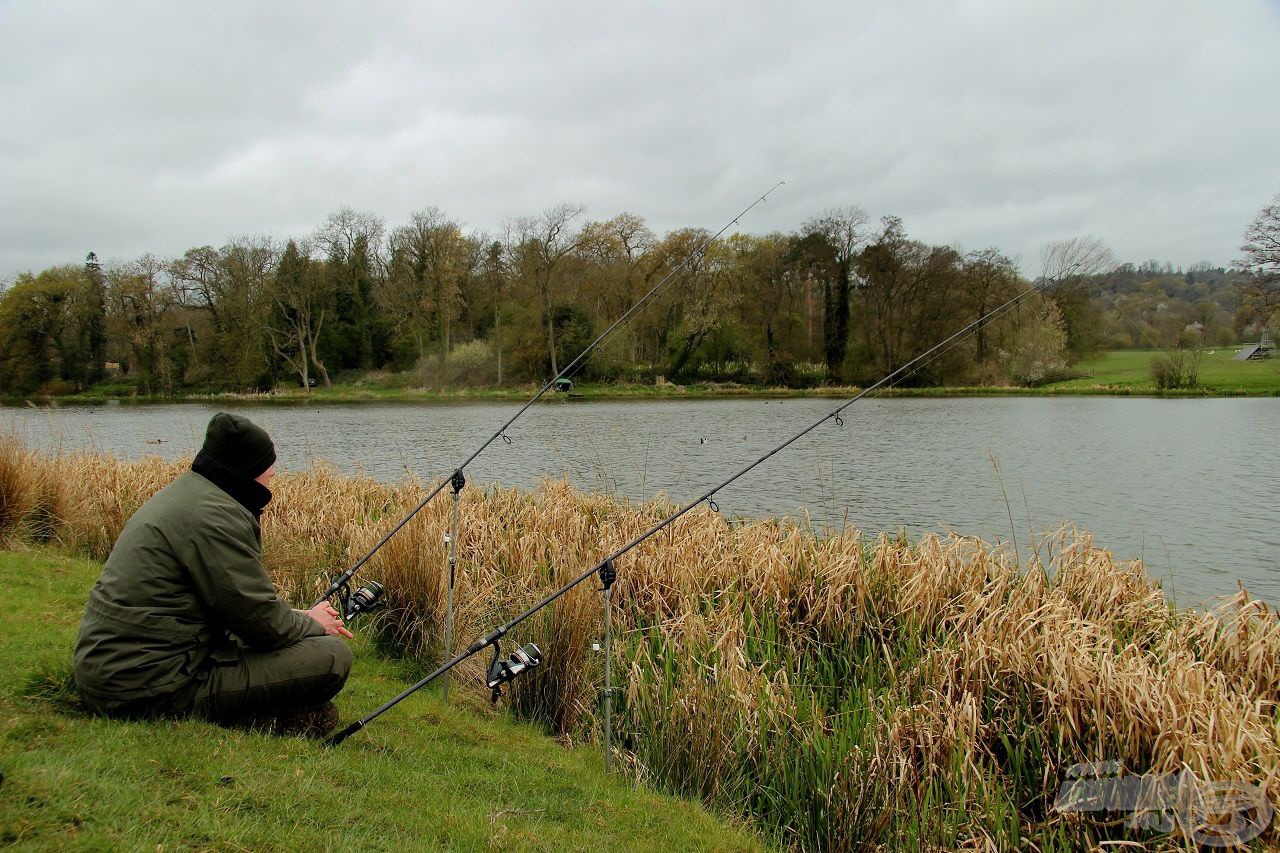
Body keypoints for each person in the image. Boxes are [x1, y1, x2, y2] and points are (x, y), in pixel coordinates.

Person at [73, 412, 353, 736]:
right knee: (332, 657)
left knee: (291, 642)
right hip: (148, 687)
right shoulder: (214, 518)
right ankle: (257, 719)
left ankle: (265, 714)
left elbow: (235, 607)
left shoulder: (189, 495)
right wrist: (313, 624)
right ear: (246, 470)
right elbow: (262, 625)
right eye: (268, 465)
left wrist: (298, 616)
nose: (274, 472)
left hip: (115, 670)